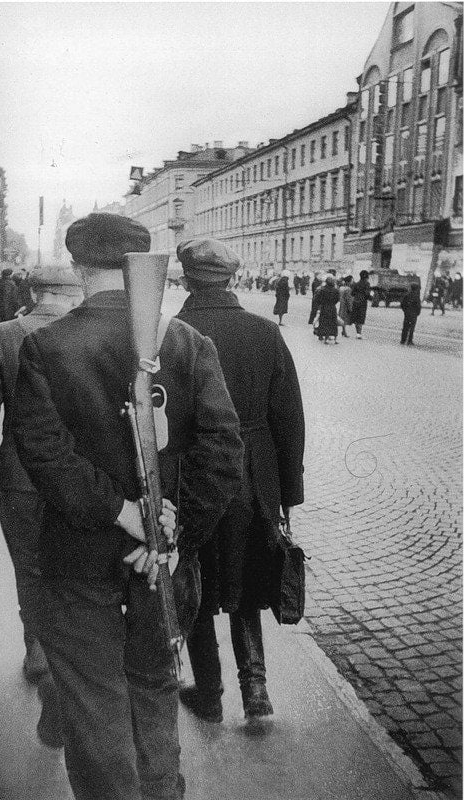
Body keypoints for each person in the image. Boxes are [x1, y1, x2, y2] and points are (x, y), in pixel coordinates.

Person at [11, 213, 244, 800]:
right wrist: (173, 532)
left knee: (94, 713)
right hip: (164, 567)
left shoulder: (45, 346)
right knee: (156, 695)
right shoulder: (188, 342)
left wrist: (121, 513)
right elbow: (221, 451)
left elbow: (44, 451)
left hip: (77, 559)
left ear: (78, 267)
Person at [175, 238, 305, 723]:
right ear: (231, 278)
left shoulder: (172, 332)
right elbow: (289, 416)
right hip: (254, 475)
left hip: (195, 474)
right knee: (250, 578)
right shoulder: (265, 331)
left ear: (186, 280)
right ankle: (256, 690)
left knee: (198, 581)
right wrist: (287, 492)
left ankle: (209, 694)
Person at [0, 266, 85, 747]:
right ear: (70, 293)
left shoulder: (1, 336)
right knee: (71, 573)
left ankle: (37, 650)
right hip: (78, 477)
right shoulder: (87, 332)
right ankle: (64, 668)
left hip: (19, 476)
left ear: (33, 293)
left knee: (29, 569)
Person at [311, 273, 340, 344]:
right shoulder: (335, 290)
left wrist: (322, 303)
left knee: (324, 322)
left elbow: (317, 299)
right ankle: (334, 337)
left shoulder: (322, 289)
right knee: (332, 322)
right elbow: (337, 299)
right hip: (332, 308)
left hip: (324, 307)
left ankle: (325, 337)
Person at [350, 269, 371, 339]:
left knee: (356, 317)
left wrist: (357, 294)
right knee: (361, 317)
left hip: (356, 302)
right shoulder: (367, 284)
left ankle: (358, 333)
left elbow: (352, 293)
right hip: (363, 303)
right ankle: (359, 333)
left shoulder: (356, 284)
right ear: (367, 277)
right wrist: (371, 297)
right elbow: (367, 293)